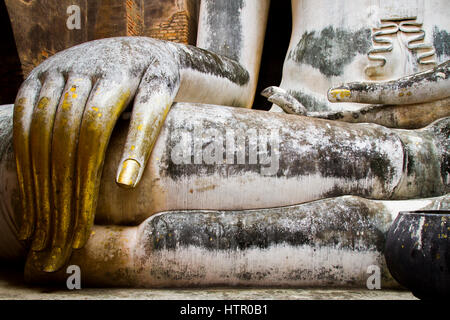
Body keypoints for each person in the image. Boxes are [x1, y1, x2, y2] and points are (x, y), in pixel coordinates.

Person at [2, 0, 449, 286]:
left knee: (400, 158)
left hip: (439, 141)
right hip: (293, 130)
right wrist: (159, 56)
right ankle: (403, 230)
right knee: (73, 141)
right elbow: (235, 79)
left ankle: (133, 255)